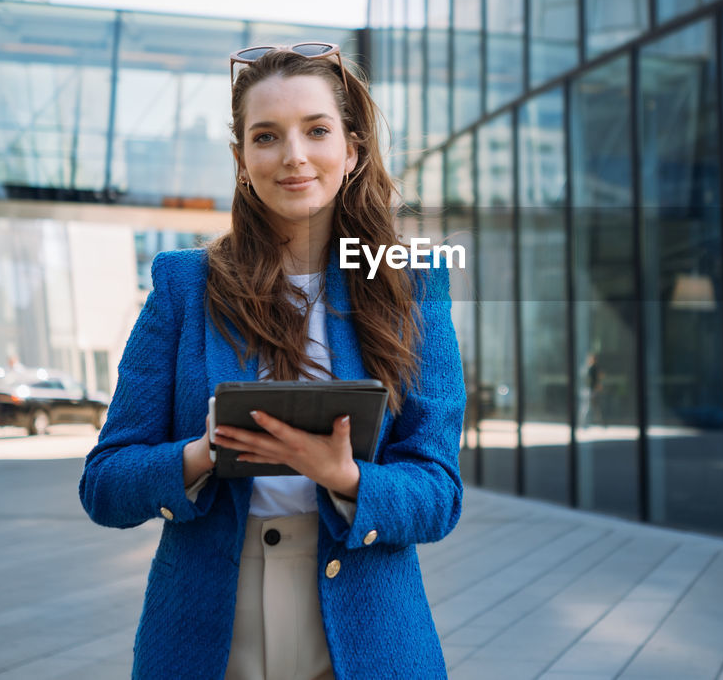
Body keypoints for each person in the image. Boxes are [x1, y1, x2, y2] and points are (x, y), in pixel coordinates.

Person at [79, 43, 467, 680]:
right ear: (241, 158)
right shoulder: (185, 285)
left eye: (316, 130)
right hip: (209, 629)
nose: (293, 155)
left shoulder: (412, 283)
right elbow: (105, 485)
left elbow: (439, 493)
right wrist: (202, 453)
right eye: (266, 136)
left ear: (353, 149)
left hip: (365, 629)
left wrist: (345, 476)